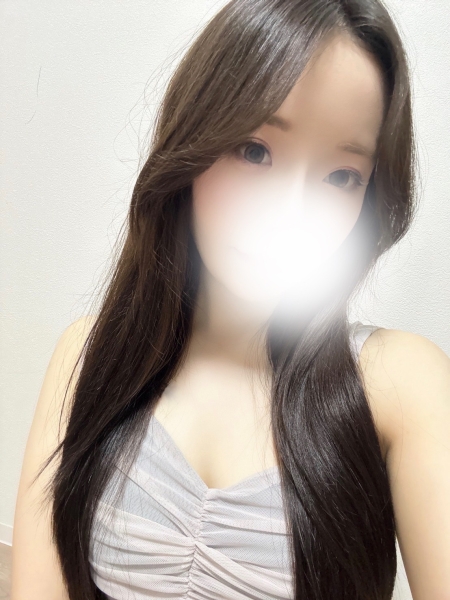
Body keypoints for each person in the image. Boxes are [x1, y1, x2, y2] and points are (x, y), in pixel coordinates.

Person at [10, 0, 450, 599]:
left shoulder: (399, 384)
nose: (292, 212)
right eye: (254, 150)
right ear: (191, 147)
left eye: (341, 177)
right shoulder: (89, 355)